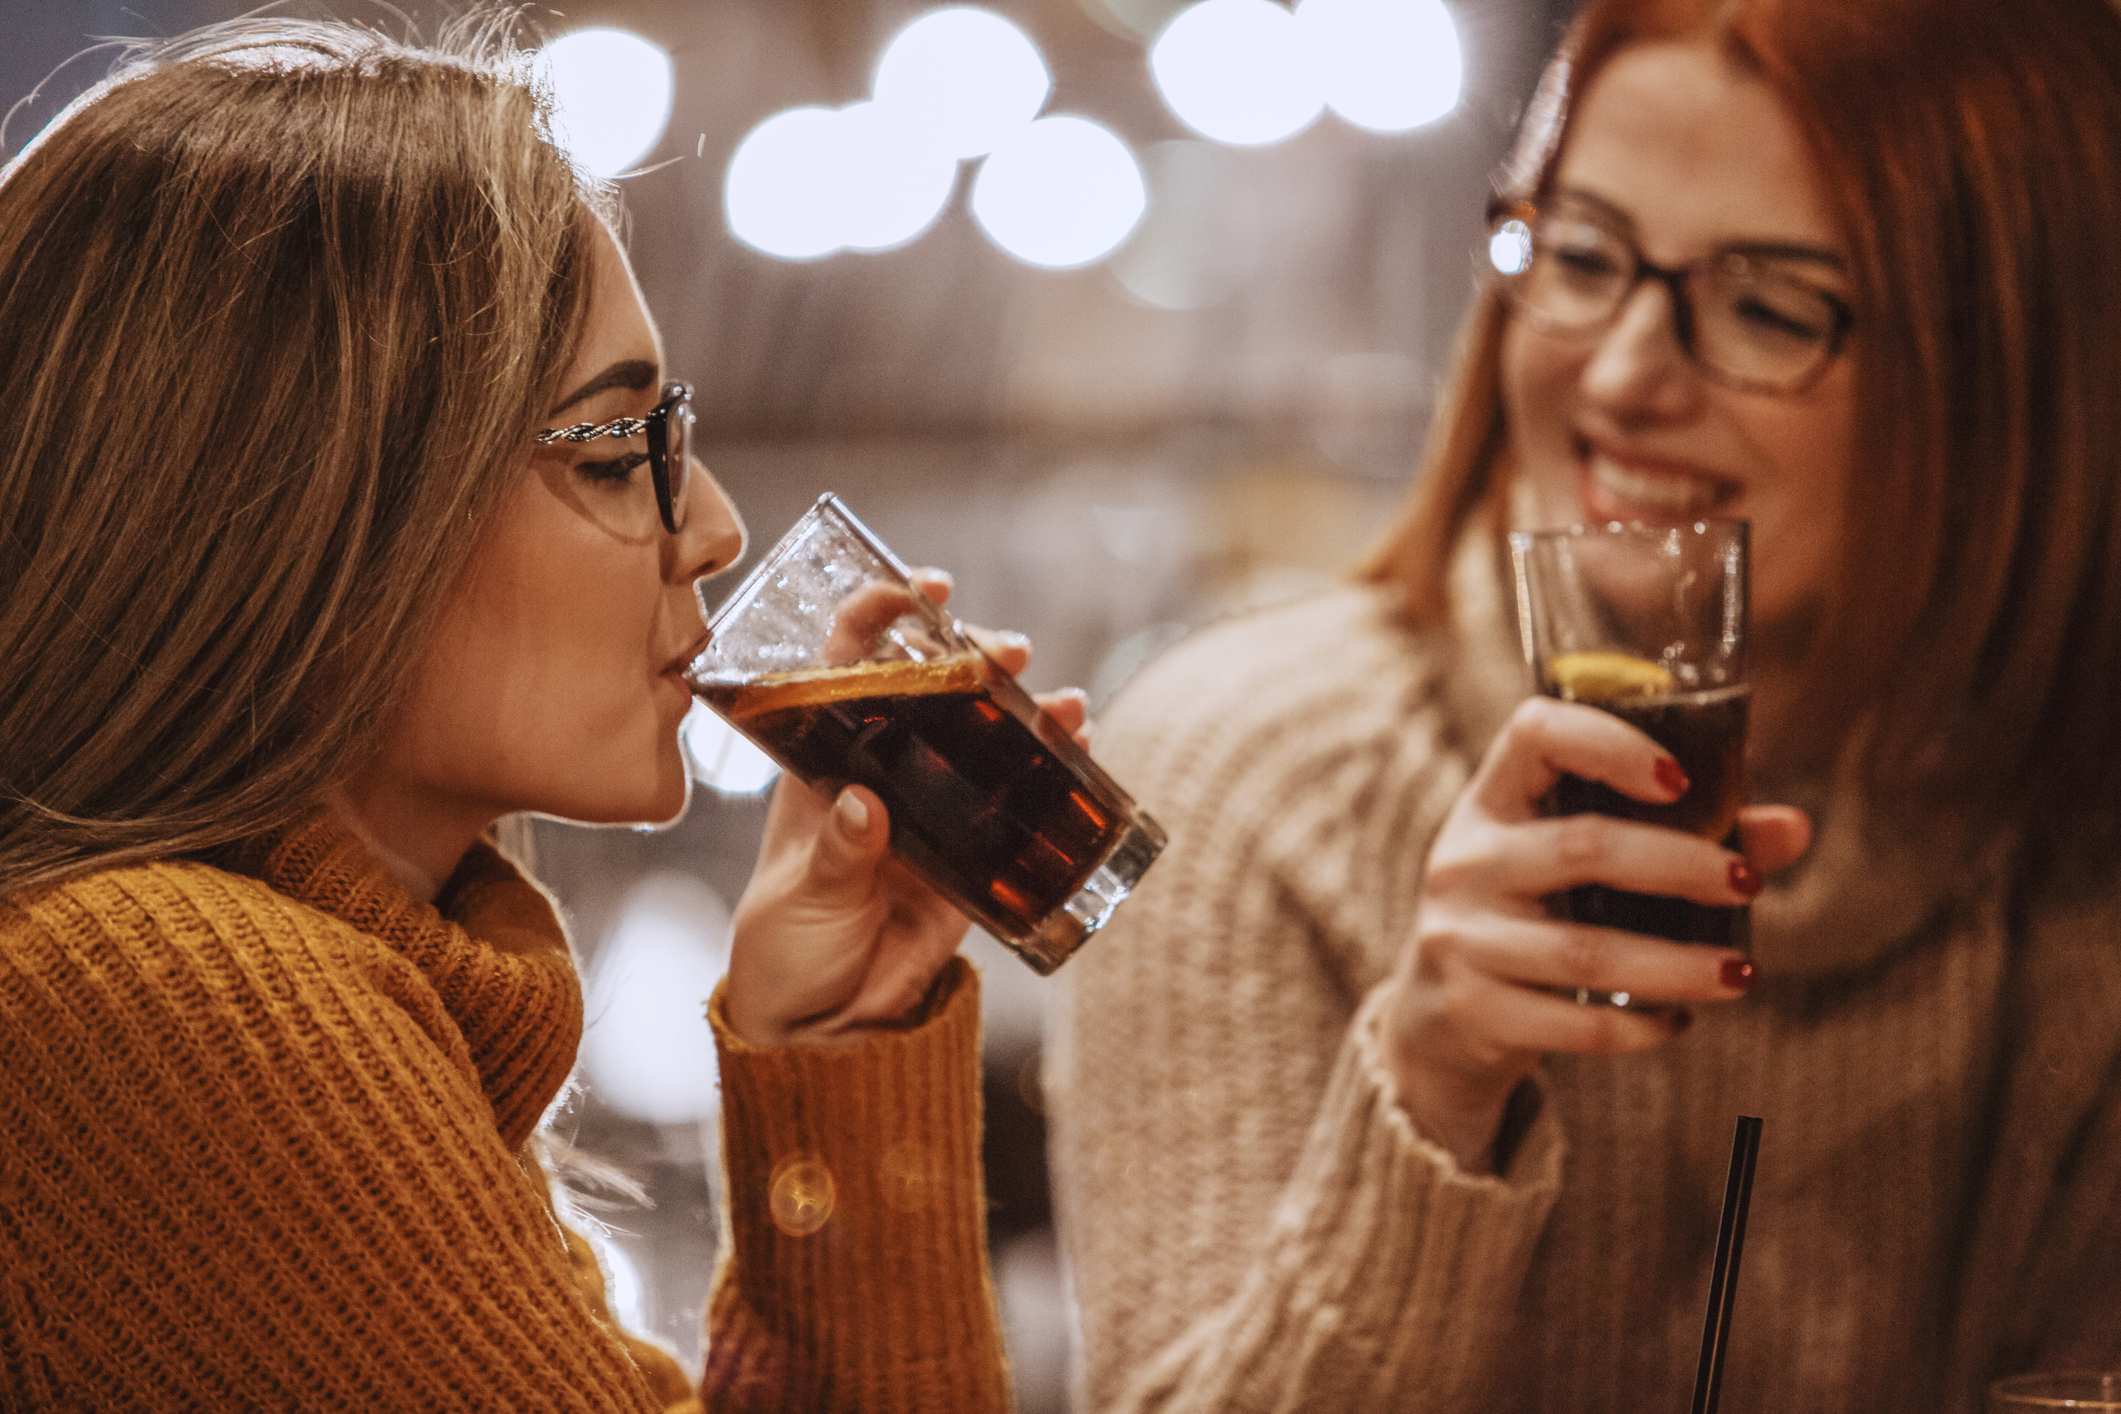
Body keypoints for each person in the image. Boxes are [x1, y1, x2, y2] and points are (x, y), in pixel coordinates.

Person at [1046, 0, 2121, 1408]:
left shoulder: (2074, 867)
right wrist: (1431, 1086)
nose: (1618, 377)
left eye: (1766, 308)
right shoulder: (1239, 777)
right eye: (1582, 256)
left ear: (2008, 376)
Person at [0, 18, 1077, 1409]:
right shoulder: (174, 991)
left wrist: (834, 1049)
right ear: (316, 502)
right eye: (622, 450)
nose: (718, 529)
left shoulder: (303, 985)